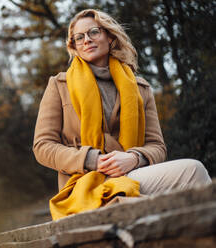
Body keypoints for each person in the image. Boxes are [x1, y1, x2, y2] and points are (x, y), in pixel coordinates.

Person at [33, 9, 212, 196]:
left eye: (94, 32)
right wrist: (91, 159)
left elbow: (157, 146)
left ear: (110, 37)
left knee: (194, 171)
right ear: (75, 47)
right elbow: (43, 146)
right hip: (84, 183)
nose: (86, 40)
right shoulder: (59, 85)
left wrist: (134, 158)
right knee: (193, 170)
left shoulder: (140, 88)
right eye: (79, 37)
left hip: (132, 173)